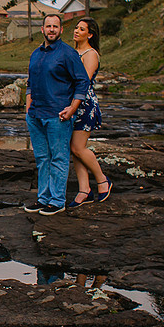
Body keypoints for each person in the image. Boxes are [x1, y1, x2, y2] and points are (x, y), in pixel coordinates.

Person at [23, 14, 90, 215]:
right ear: (42, 30)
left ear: (61, 30)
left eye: (55, 26)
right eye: (48, 26)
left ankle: (57, 201)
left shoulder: (68, 53)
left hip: (58, 115)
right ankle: (43, 198)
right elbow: (30, 82)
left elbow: (82, 82)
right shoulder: (35, 54)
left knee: (58, 158)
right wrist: (28, 109)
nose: (51, 29)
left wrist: (72, 108)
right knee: (42, 158)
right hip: (35, 115)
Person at [67, 17, 112, 207]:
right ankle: (84, 190)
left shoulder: (90, 54)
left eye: (82, 29)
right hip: (69, 102)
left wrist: (73, 104)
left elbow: (83, 82)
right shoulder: (72, 52)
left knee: (78, 147)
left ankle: (103, 180)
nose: (76, 31)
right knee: (73, 149)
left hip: (83, 103)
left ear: (90, 34)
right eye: (76, 27)